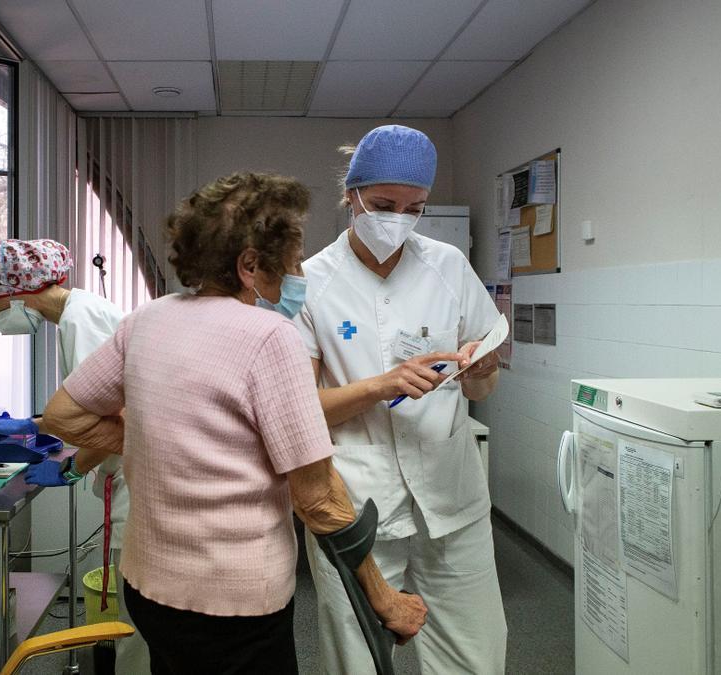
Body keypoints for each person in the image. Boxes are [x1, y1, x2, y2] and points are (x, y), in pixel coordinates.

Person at [35, 172, 428, 674]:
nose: (296, 273)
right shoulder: (270, 336)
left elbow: (61, 416)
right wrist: (384, 598)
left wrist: (158, 437)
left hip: (149, 589)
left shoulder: (145, 320)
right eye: (289, 262)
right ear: (249, 265)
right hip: (235, 603)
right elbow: (318, 499)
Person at [295, 125, 508, 674]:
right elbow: (296, 411)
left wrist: (483, 369)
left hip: (450, 491)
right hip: (358, 502)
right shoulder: (310, 283)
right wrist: (383, 385)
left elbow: (483, 384)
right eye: (384, 204)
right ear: (352, 196)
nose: (399, 219)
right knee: (359, 657)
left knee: (475, 655)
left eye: (414, 208)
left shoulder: (449, 266)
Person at [0, 238, 148, 673]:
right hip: (136, 475)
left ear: (14, 291)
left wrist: (69, 469)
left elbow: (112, 423)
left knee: (138, 627)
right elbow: (92, 410)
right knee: (140, 620)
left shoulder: (80, 322)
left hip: (139, 482)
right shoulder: (81, 312)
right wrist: (33, 425)